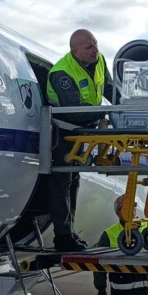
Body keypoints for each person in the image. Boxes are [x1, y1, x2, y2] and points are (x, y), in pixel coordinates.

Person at [46, 29, 111, 252]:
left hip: (82, 133)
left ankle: (69, 233)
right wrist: (106, 111)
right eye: (89, 47)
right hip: (63, 133)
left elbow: (111, 90)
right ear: (75, 51)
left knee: (73, 182)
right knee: (62, 183)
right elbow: (75, 112)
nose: (95, 50)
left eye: (95, 44)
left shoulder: (99, 60)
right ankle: (62, 237)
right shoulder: (62, 73)